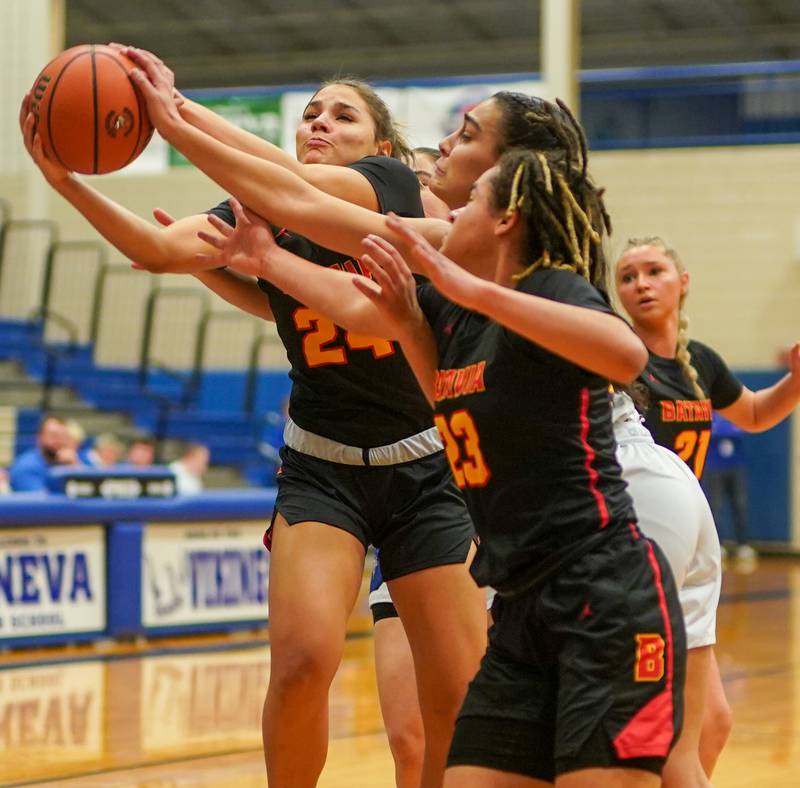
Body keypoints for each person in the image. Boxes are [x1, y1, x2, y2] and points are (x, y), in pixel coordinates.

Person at [21, 60, 487, 788]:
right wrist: (67, 183)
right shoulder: (254, 212)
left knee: (453, 695)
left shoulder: (388, 192)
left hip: (424, 466)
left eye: (340, 114)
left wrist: (175, 112)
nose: (317, 123)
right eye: (308, 113)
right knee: (302, 665)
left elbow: (297, 192)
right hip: (323, 465)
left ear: (382, 148)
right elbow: (155, 249)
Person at [205, 134, 688, 785]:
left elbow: (627, 355)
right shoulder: (449, 314)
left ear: (504, 221)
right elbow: (364, 315)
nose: (446, 214)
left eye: (464, 209)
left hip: (603, 589)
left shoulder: (547, 289)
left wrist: (468, 287)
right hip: (521, 598)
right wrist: (270, 258)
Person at [614, 236, 800, 776]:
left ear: (683, 281)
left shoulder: (700, 360)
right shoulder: (618, 355)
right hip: (635, 541)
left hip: (685, 549)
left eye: (654, 271)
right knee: (668, 724)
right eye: (627, 276)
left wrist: (795, 381)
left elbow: (757, 414)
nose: (641, 284)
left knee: (711, 722)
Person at [704, 413, 754, 562]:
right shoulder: (709, 415)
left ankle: (742, 544)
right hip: (714, 468)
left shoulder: (736, 414)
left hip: (735, 467)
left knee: (740, 504)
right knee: (715, 506)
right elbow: (710, 433)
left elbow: (742, 431)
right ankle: (717, 545)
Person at [9, 415, 79, 492]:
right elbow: (42, 502)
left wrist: (75, 467)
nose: (60, 441)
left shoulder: (66, 463)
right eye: (54, 436)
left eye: (64, 436)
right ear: (39, 438)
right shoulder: (27, 467)